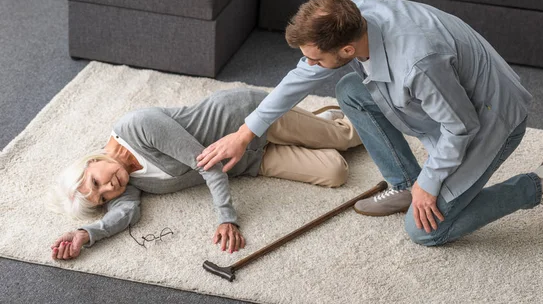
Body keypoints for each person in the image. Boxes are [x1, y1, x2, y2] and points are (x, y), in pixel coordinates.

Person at [197, 0, 543, 247]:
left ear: (346, 49)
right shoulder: (349, 16)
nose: (309, 65)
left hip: (491, 116)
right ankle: (405, 184)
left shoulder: (418, 63)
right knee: (350, 91)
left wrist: (431, 181)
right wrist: (245, 134)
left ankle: (536, 185)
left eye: (314, 58)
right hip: (452, 98)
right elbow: (300, 77)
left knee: (428, 230)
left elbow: (461, 127)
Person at [48, 87, 362, 260]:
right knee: (336, 171)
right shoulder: (127, 182)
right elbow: (127, 211)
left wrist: (227, 218)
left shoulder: (138, 126)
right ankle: (319, 121)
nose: (109, 187)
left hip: (249, 121)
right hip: (251, 162)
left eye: (96, 181)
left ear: (91, 162)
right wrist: (88, 233)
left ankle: (345, 113)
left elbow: (207, 164)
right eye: (102, 196)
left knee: (346, 139)